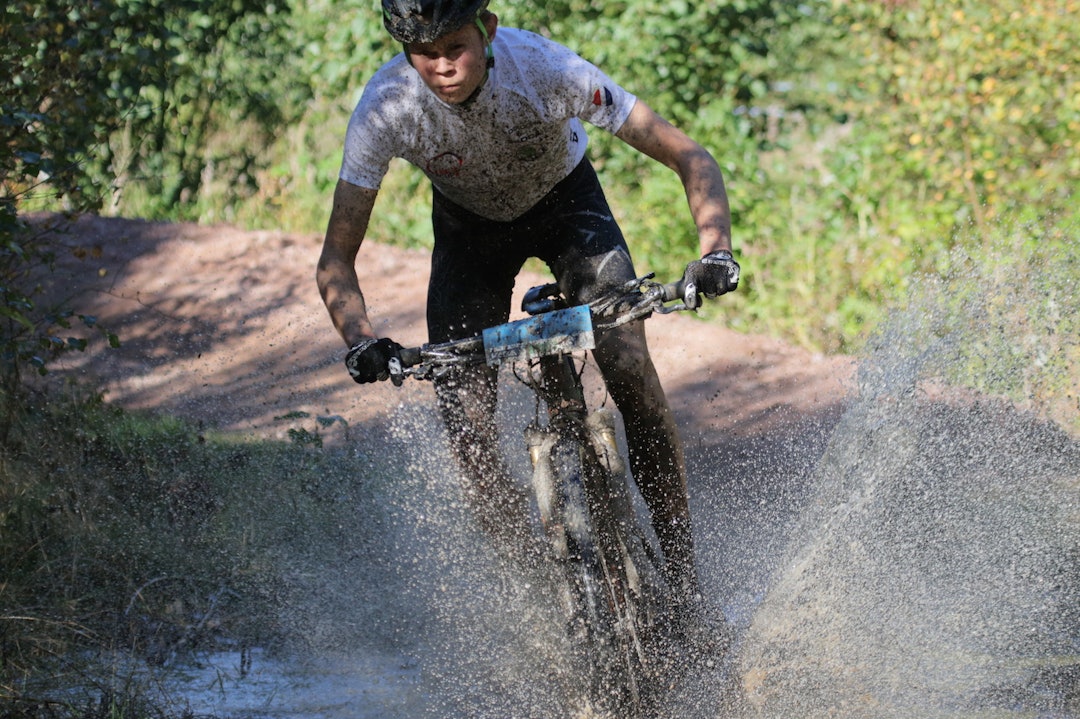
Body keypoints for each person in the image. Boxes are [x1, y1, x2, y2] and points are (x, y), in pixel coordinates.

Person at [316, 0, 740, 619]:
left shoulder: (545, 69)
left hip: (568, 207)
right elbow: (335, 259)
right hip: (469, 236)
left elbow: (689, 156)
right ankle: (543, 595)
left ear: (486, 30)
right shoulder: (387, 107)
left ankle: (685, 579)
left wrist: (716, 253)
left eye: (454, 47)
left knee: (629, 372)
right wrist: (361, 339)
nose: (442, 68)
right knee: (466, 429)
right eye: (424, 54)